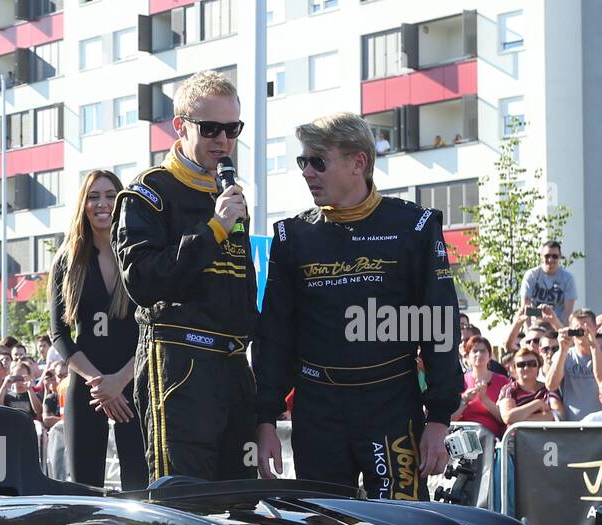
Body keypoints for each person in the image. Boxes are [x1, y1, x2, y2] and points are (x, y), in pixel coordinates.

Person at [255, 112, 462, 498]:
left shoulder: (414, 226)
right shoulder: (292, 236)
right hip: (318, 411)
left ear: (358, 163)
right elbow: (275, 336)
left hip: (391, 405)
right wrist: (265, 418)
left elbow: (439, 326)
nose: (307, 172)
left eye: (318, 161)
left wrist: (438, 418)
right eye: (303, 161)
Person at [112, 70, 257, 481]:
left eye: (232, 129)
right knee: (187, 501)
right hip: (179, 360)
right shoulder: (149, 191)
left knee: (242, 503)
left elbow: (244, 287)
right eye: (210, 128)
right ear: (180, 126)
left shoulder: (229, 193)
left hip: (232, 364)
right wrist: (213, 230)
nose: (223, 141)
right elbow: (141, 281)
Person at [49, 169, 149, 491]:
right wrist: (100, 385)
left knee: (139, 485)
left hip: (132, 383)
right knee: (84, 488)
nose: (102, 204)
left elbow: (154, 331)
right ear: (83, 205)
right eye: (93, 196)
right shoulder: (68, 260)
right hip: (87, 388)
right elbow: (59, 335)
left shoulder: (139, 253)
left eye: (109, 195)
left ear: (121, 202)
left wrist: (119, 382)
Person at [545, 308, 602, 420]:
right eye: (577, 329)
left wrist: (594, 346)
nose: (582, 332)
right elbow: (551, 385)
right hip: (572, 427)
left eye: (586, 327)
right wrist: (563, 350)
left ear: (596, 329)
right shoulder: (564, 355)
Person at [451, 336, 510, 437]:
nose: (479, 354)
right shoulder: (459, 381)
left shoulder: (502, 381)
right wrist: (464, 401)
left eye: (483, 351)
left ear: (490, 355)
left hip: (492, 438)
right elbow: (450, 419)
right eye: (475, 351)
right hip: (463, 437)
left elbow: (503, 418)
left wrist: (484, 399)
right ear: (467, 356)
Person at [499, 348, 565, 427]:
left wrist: (519, 420)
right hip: (519, 437)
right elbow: (508, 417)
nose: (526, 368)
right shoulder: (508, 390)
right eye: (521, 364)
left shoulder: (549, 388)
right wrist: (537, 404)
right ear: (515, 368)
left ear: (539, 366)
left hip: (548, 436)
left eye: (532, 364)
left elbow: (558, 415)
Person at [521, 241, 577, 325]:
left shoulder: (567, 278)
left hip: (556, 326)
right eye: (547, 256)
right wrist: (529, 332)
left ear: (559, 256)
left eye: (554, 256)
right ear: (541, 256)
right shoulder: (532, 275)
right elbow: (525, 309)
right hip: (536, 326)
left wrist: (560, 331)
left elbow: (567, 313)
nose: (550, 260)